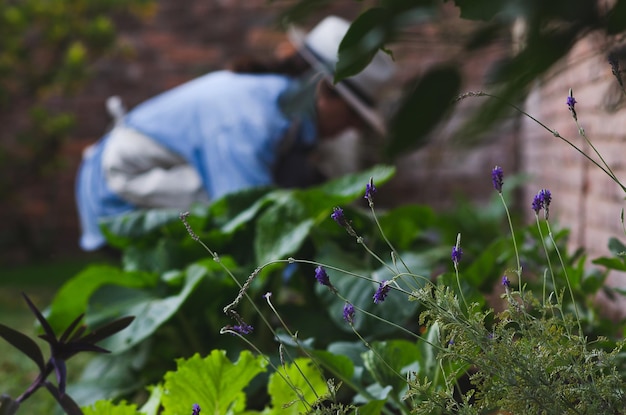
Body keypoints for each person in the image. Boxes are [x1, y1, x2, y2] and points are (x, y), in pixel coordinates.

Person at [75, 15, 395, 251]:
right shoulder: (250, 118)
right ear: (323, 89)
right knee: (256, 212)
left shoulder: (281, 110)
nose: (354, 127)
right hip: (115, 194)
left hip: (144, 181)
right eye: (353, 113)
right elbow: (246, 220)